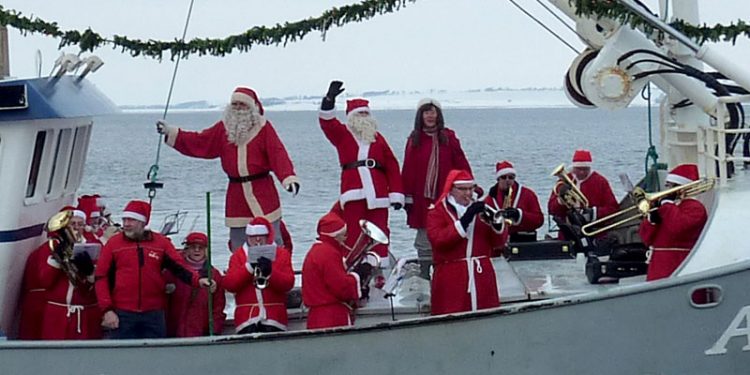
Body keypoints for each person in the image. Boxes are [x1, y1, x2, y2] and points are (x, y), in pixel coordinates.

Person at [157, 87, 300, 250]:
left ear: (252, 107)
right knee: (239, 243)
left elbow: (277, 153)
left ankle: (275, 272)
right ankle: (240, 272)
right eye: (235, 104)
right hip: (236, 194)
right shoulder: (223, 129)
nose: (238, 108)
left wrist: (288, 178)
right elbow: (201, 141)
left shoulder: (264, 128)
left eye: (242, 104)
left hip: (263, 191)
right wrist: (171, 132)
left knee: (271, 238)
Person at [94, 200, 213, 339]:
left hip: (154, 313)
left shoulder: (160, 243)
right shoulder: (113, 244)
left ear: (143, 223)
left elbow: (179, 267)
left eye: (131, 220)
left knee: (155, 355)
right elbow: (101, 277)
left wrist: (198, 280)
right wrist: (107, 310)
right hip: (122, 312)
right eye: (124, 219)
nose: (126, 224)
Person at [318, 81, 404, 261]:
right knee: (354, 231)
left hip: (379, 194)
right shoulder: (342, 135)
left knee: (380, 230)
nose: (363, 117)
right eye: (360, 114)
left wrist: (396, 194)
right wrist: (329, 101)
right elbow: (327, 123)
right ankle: (353, 265)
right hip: (353, 192)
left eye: (366, 113)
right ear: (351, 117)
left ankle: (379, 266)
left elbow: (392, 165)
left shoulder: (378, 139)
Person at [401, 98, 472, 279]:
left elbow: (461, 163)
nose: (430, 116)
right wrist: (406, 196)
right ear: (420, 115)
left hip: (445, 196)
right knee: (424, 237)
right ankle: (426, 275)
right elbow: (408, 169)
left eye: (433, 112)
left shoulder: (449, 138)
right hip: (421, 199)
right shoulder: (414, 139)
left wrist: (469, 186)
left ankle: (448, 273)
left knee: (447, 233)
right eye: (426, 112)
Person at [426, 170, 508, 315]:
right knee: (452, 319)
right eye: (463, 189)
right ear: (451, 190)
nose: (468, 193)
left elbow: (498, 243)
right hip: (452, 277)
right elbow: (440, 241)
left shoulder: (481, 209)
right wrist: (465, 219)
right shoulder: (436, 212)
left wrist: (495, 225)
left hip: (481, 275)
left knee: (487, 318)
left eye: (471, 188)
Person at [39, 207, 102, 340]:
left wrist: (90, 273)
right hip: (57, 313)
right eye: (72, 224)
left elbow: (95, 288)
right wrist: (57, 260)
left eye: (80, 224)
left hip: (84, 314)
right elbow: (45, 282)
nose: (76, 228)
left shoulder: (94, 247)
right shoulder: (52, 247)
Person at [223, 217, 294, 334]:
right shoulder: (238, 256)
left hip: (275, 318)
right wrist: (248, 268)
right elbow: (230, 285)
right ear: (247, 237)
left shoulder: (281, 254)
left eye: (261, 235)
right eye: (252, 236)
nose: (257, 239)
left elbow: (288, 284)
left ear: (268, 236)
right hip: (246, 319)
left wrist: (271, 273)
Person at [639, 164, 709, 281]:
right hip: (658, 265)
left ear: (681, 187)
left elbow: (678, 227)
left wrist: (667, 205)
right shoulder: (670, 207)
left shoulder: (695, 208)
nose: (667, 190)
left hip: (678, 263)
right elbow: (646, 239)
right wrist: (652, 221)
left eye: (671, 186)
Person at [302, 212, 369, 329]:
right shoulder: (328, 254)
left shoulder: (316, 250)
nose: (345, 238)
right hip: (331, 317)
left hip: (316, 316)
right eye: (343, 235)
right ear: (334, 236)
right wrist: (357, 276)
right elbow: (340, 286)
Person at [547, 149, 618, 241]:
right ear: (573, 168)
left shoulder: (600, 181)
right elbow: (551, 209)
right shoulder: (564, 181)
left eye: (585, 169)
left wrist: (593, 213)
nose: (581, 172)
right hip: (568, 233)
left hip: (594, 233)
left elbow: (613, 208)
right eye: (578, 169)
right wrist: (560, 200)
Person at [165, 232, 226, 337]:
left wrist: (214, 331)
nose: (197, 250)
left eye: (201, 247)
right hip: (173, 331)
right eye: (193, 247)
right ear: (186, 249)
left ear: (206, 250)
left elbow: (218, 308)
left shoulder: (214, 275)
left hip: (201, 332)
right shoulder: (172, 272)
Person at [486, 160, 544, 243]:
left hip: (524, 241)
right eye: (503, 177)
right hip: (499, 244)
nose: (507, 180)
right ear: (498, 179)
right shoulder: (490, 198)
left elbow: (539, 220)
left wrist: (519, 215)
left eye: (511, 177)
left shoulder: (528, 194)